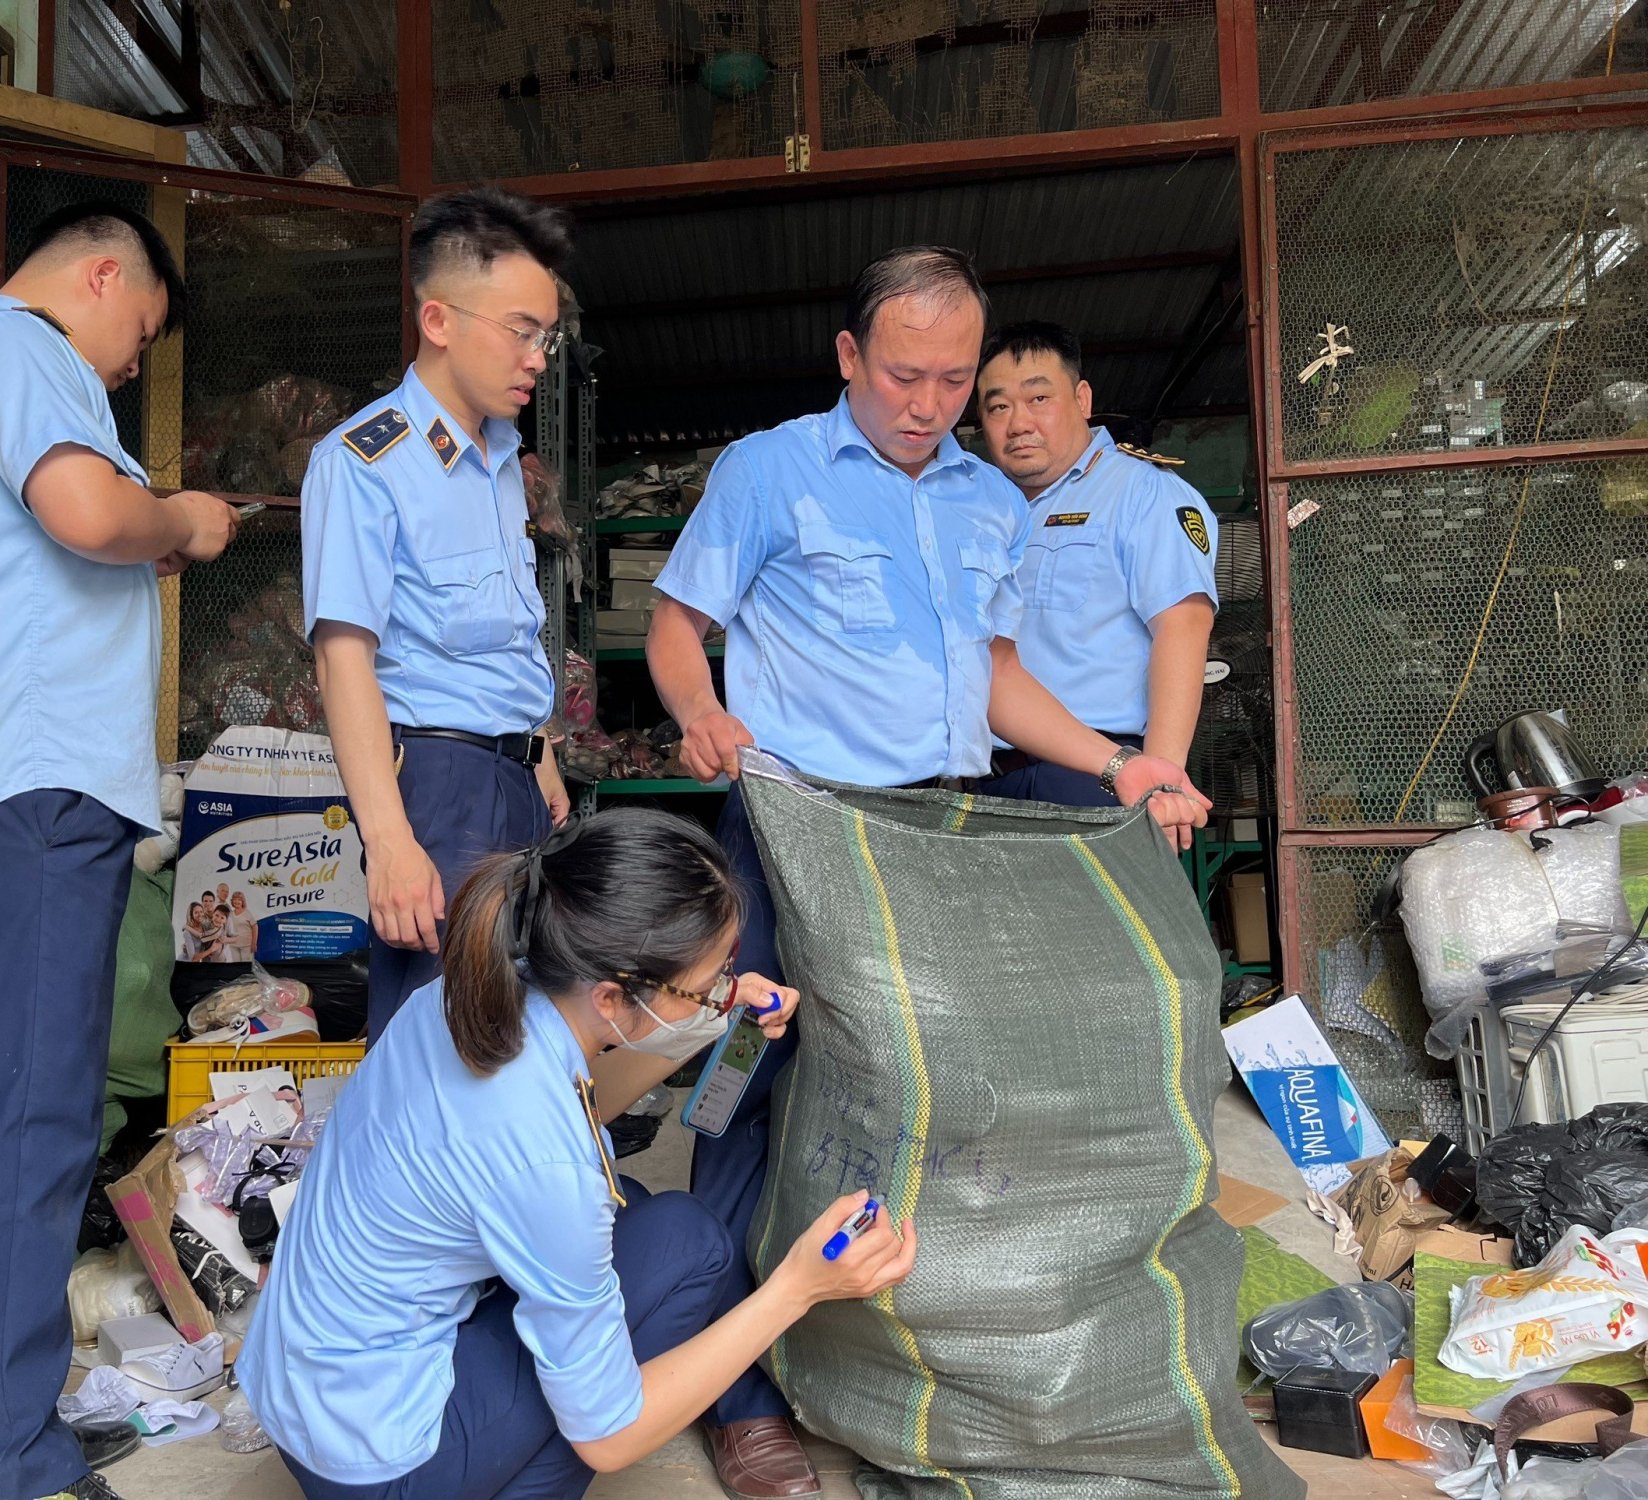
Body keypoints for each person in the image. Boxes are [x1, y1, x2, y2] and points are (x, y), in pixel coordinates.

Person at [645, 246, 1209, 1500]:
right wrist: (699, 713)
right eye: (905, 375)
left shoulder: (985, 504)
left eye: (954, 380)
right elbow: (675, 628)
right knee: (749, 1074)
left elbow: (996, 678)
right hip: (795, 828)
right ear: (849, 358)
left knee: (916, 1091)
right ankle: (737, 1397)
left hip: (934, 838)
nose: (930, 404)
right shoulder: (766, 471)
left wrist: (1118, 764)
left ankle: (894, 1359)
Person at [0, 203, 237, 1500]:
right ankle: (13, 1455)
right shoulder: (23, 350)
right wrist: (181, 520)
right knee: (28, 1125)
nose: (125, 371)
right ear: (96, 276)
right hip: (26, 785)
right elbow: (89, 512)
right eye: (132, 339)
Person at [239, 809, 916, 1500]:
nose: (724, 987)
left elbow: (580, 1106)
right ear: (614, 993)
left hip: (299, 1385)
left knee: (648, 1222)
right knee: (690, 1246)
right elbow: (610, 1435)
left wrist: (712, 1014)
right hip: (380, 1463)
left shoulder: (465, 996)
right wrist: (798, 1288)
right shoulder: (547, 1165)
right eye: (712, 977)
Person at [301, 187, 573, 1043]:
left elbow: (501, 634)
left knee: (519, 1034)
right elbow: (343, 659)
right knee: (443, 1043)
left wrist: (541, 756)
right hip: (439, 790)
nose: (538, 357)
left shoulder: (499, 458)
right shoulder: (365, 461)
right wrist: (388, 841)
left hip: (515, 782)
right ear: (439, 319)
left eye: (548, 337)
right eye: (522, 330)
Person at [972, 321, 1220, 807]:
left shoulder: (1143, 490)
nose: (1018, 422)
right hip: (993, 782)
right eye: (998, 406)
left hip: (1100, 780)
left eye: (1038, 399)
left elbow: (1183, 627)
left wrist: (1161, 784)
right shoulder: (983, 512)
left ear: (1082, 400)